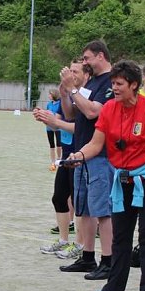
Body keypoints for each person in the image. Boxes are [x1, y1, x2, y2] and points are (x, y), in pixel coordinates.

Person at [65, 61, 145, 291]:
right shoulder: (109, 110)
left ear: (134, 85)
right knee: (120, 238)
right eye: (113, 83)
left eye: (119, 84)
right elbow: (96, 144)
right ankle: (114, 290)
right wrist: (78, 156)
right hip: (124, 179)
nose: (114, 88)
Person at [57, 40, 115, 280]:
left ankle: (108, 261)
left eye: (87, 58)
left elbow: (93, 111)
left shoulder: (111, 82)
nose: (84, 63)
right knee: (85, 209)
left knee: (102, 210)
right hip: (82, 152)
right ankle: (88, 257)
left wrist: (72, 89)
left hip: (100, 154)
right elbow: (73, 113)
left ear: (100, 56)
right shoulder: (91, 82)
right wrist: (65, 92)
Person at [34, 59, 86, 258]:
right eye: (69, 70)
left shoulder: (85, 97)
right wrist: (46, 117)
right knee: (59, 197)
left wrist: (56, 122)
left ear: (85, 74)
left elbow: (80, 128)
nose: (70, 75)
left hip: (80, 155)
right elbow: (62, 120)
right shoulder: (67, 96)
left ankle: (80, 245)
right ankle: (64, 240)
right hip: (66, 155)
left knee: (79, 202)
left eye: (75, 71)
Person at [45, 88, 63, 171]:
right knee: (51, 145)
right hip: (49, 127)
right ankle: (52, 162)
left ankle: (59, 160)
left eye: (50, 94)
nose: (49, 95)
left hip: (58, 127)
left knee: (59, 144)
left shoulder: (61, 104)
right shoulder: (49, 104)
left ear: (54, 95)